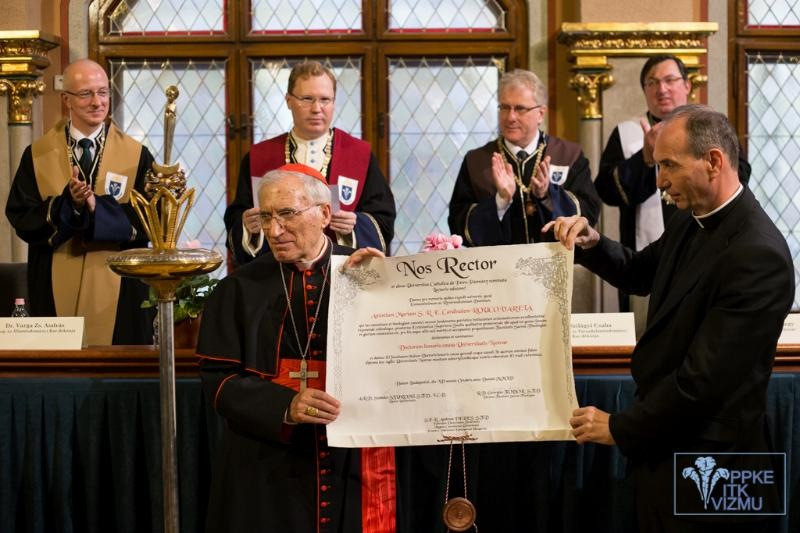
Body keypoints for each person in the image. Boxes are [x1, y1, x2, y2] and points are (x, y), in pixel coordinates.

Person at [547, 105, 794, 532]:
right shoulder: (691, 218)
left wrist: (619, 426)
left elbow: (702, 384)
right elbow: (641, 271)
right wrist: (592, 242)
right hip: (665, 449)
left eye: (669, 165)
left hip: (716, 465)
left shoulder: (758, 255)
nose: (659, 180)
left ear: (713, 161)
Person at [198, 163, 396, 533]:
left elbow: (402, 353)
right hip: (266, 458)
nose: (274, 231)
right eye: (266, 217)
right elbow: (218, 382)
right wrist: (284, 406)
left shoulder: (362, 270)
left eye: (287, 214)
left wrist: (389, 287)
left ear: (324, 214)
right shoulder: (238, 288)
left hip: (350, 454)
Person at [5, 58, 155, 345]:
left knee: (118, 365)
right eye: (86, 94)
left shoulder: (137, 155)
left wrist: (98, 208)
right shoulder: (37, 155)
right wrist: (69, 205)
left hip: (120, 288)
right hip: (53, 277)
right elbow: (22, 215)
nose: (97, 102)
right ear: (66, 100)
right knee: (61, 364)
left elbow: (150, 218)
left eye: (103, 92)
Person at [594, 55, 752, 315]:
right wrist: (644, 159)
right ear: (644, 90)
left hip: (706, 248)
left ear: (687, 85)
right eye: (653, 83)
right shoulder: (626, 133)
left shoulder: (713, 127)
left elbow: (739, 176)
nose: (662, 89)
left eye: (670, 80)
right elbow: (606, 190)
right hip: (645, 260)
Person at [224, 61, 396, 266]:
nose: (316, 109)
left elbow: (383, 219)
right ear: (288, 101)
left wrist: (355, 225)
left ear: (334, 102)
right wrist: (248, 228)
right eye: (307, 99)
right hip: (276, 274)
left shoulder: (359, 155)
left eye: (325, 100)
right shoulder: (259, 157)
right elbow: (236, 218)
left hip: (342, 271)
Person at [448, 68, 601, 246]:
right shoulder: (476, 161)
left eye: (520, 108)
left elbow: (589, 213)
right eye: (505, 107)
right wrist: (500, 201)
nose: (510, 117)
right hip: (501, 263)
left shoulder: (568, 155)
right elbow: (457, 225)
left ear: (540, 114)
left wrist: (548, 196)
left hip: (555, 260)